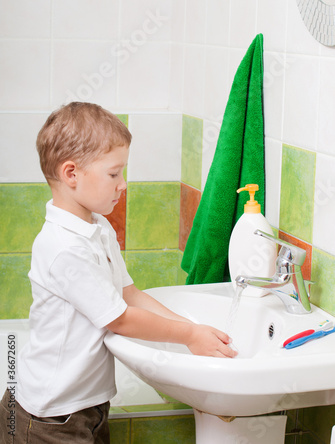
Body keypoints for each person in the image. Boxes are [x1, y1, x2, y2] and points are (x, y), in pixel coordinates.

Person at [0, 102, 236, 444]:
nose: (122, 184)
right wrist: (187, 336)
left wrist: (193, 330)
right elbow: (120, 319)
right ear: (71, 174)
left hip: (86, 406)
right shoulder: (64, 247)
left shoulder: (98, 227)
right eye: (114, 174)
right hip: (50, 417)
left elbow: (130, 294)